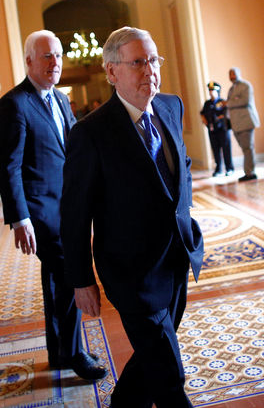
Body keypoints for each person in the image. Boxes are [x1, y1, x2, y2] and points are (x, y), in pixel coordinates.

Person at [60, 27, 204, 407]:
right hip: (131, 273)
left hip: (176, 258)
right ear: (112, 72)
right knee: (169, 375)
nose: (150, 71)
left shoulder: (171, 106)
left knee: (150, 359)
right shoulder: (90, 134)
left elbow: (180, 169)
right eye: (138, 62)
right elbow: (74, 216)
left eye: (154, 60)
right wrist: (81, 280)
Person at [0, 30, 106, 380]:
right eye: (47, 56)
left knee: (57, 279)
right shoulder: (14, 104)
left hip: (66, 204)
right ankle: (73, 354)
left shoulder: (59, 99)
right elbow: (7, 165)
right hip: (40, 210)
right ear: (28, 61)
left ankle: (58, 352)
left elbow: (71, 145)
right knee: (70, 271)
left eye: (58, 56)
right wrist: (20, 217)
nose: (55, 62)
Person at [226, 67, 261, 182]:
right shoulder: (232, 89)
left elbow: (244, 101)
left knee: (248, 148)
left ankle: (250, 173)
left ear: (239, 74)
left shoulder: (246, 86)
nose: (232, 77)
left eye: (234, 74)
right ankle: (248, 171)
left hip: (246, 122)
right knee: (245, 148)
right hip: (236, 124)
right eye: (230, 75)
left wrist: (229, 103)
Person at [200, 81, 234, 177]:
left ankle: (229, 168)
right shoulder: (207, 103)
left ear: (217, 91)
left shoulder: (222, 102)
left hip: (223, 129)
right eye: (210, 90)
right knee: (215, 150)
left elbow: (225, 114)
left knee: (226, 149)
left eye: (213, 90)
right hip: (212, 130)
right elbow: (202, 113)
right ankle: (218, 169)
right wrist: (205, 120)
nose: (211, 92)